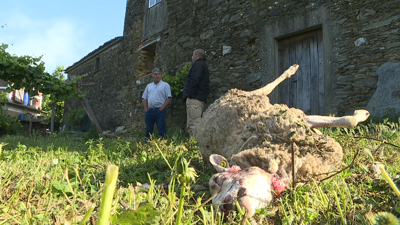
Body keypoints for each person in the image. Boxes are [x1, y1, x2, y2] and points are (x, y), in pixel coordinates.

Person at [182, 49, 210, 136]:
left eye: (193, 55)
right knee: (194, 123)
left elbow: (194, 80)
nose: (192, 57)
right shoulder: (203, 65)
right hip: (199, 97)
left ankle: (196, 146)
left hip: (195, 99)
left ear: (196, 55)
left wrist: (190, 95)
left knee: (194, 124)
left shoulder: (197, 65)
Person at [142, 68, 172, 141]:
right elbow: (144, 98)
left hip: (159, 110)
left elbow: (169, 98)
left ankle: (162, 143)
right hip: (150, 111)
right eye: (155, 74)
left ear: (161, 75)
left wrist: (162, 109)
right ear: (152, 75)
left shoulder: (165, 85)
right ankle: (147, 144)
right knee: (148, 130)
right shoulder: (149, 86)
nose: (157, 76)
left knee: (161, 128)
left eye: (159, 74)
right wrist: (146, 109)